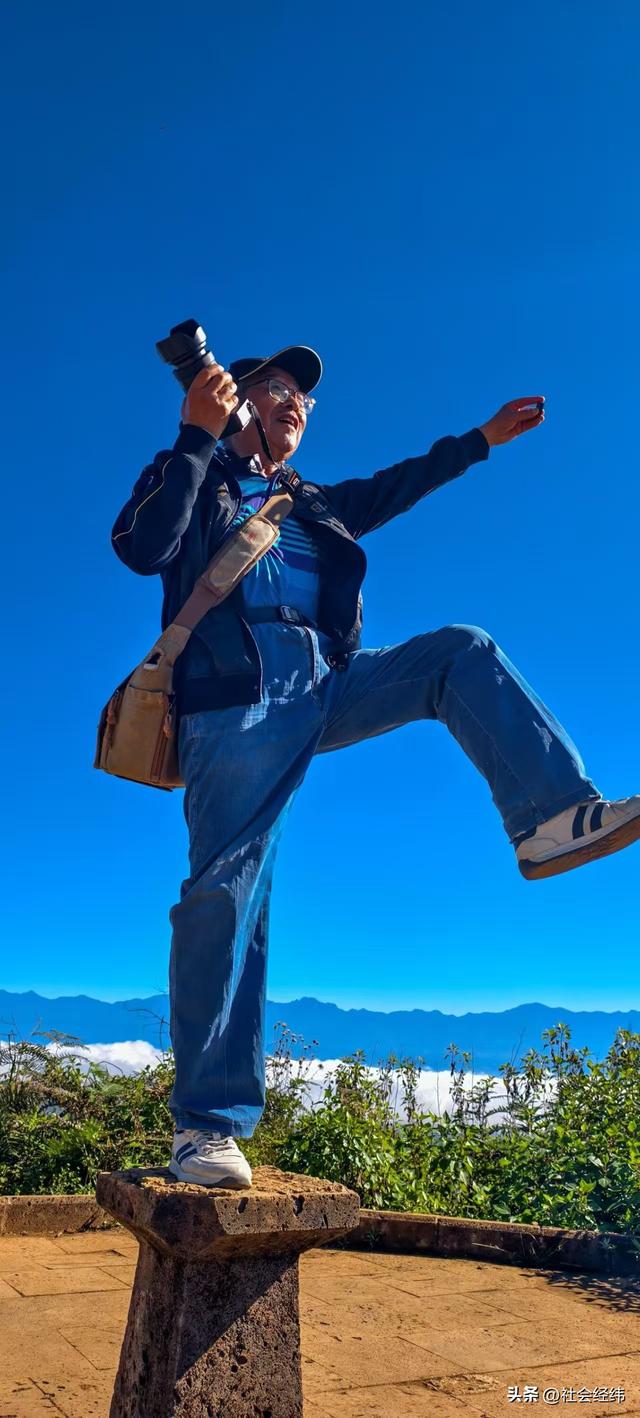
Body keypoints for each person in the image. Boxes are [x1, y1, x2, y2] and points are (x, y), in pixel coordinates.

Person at [111, 346, 640, 1190]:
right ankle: (206, 1125)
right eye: (278, 390)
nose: (297, 405)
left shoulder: (313, 500)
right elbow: (143, 550)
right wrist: (195, 441)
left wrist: (481, 440)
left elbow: (397, 484)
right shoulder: (194, 472)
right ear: (235, 400)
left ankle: (549, 819)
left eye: (306, 400)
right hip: (237, 696)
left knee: (457, 653)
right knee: (226, 891)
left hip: (324, 680)